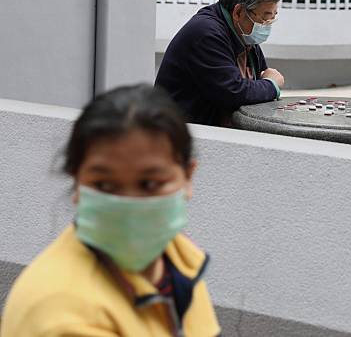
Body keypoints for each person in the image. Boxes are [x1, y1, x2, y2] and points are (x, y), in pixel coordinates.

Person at [1, 84, 220, 336]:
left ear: (188, 176)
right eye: (104, 185)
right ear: (77, 184)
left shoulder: (178, 261)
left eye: (149, 184)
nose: (127, 205)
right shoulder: (64, 315)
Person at [155, 0, 284, 126]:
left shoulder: (245, 35)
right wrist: (271, 85)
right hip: (180, 132)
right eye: (264, 18)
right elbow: (233, 92)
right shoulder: (206, 33)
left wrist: (264, 84)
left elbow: (258, 78)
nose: (267, 25)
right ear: (238, 12)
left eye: (272, 18)